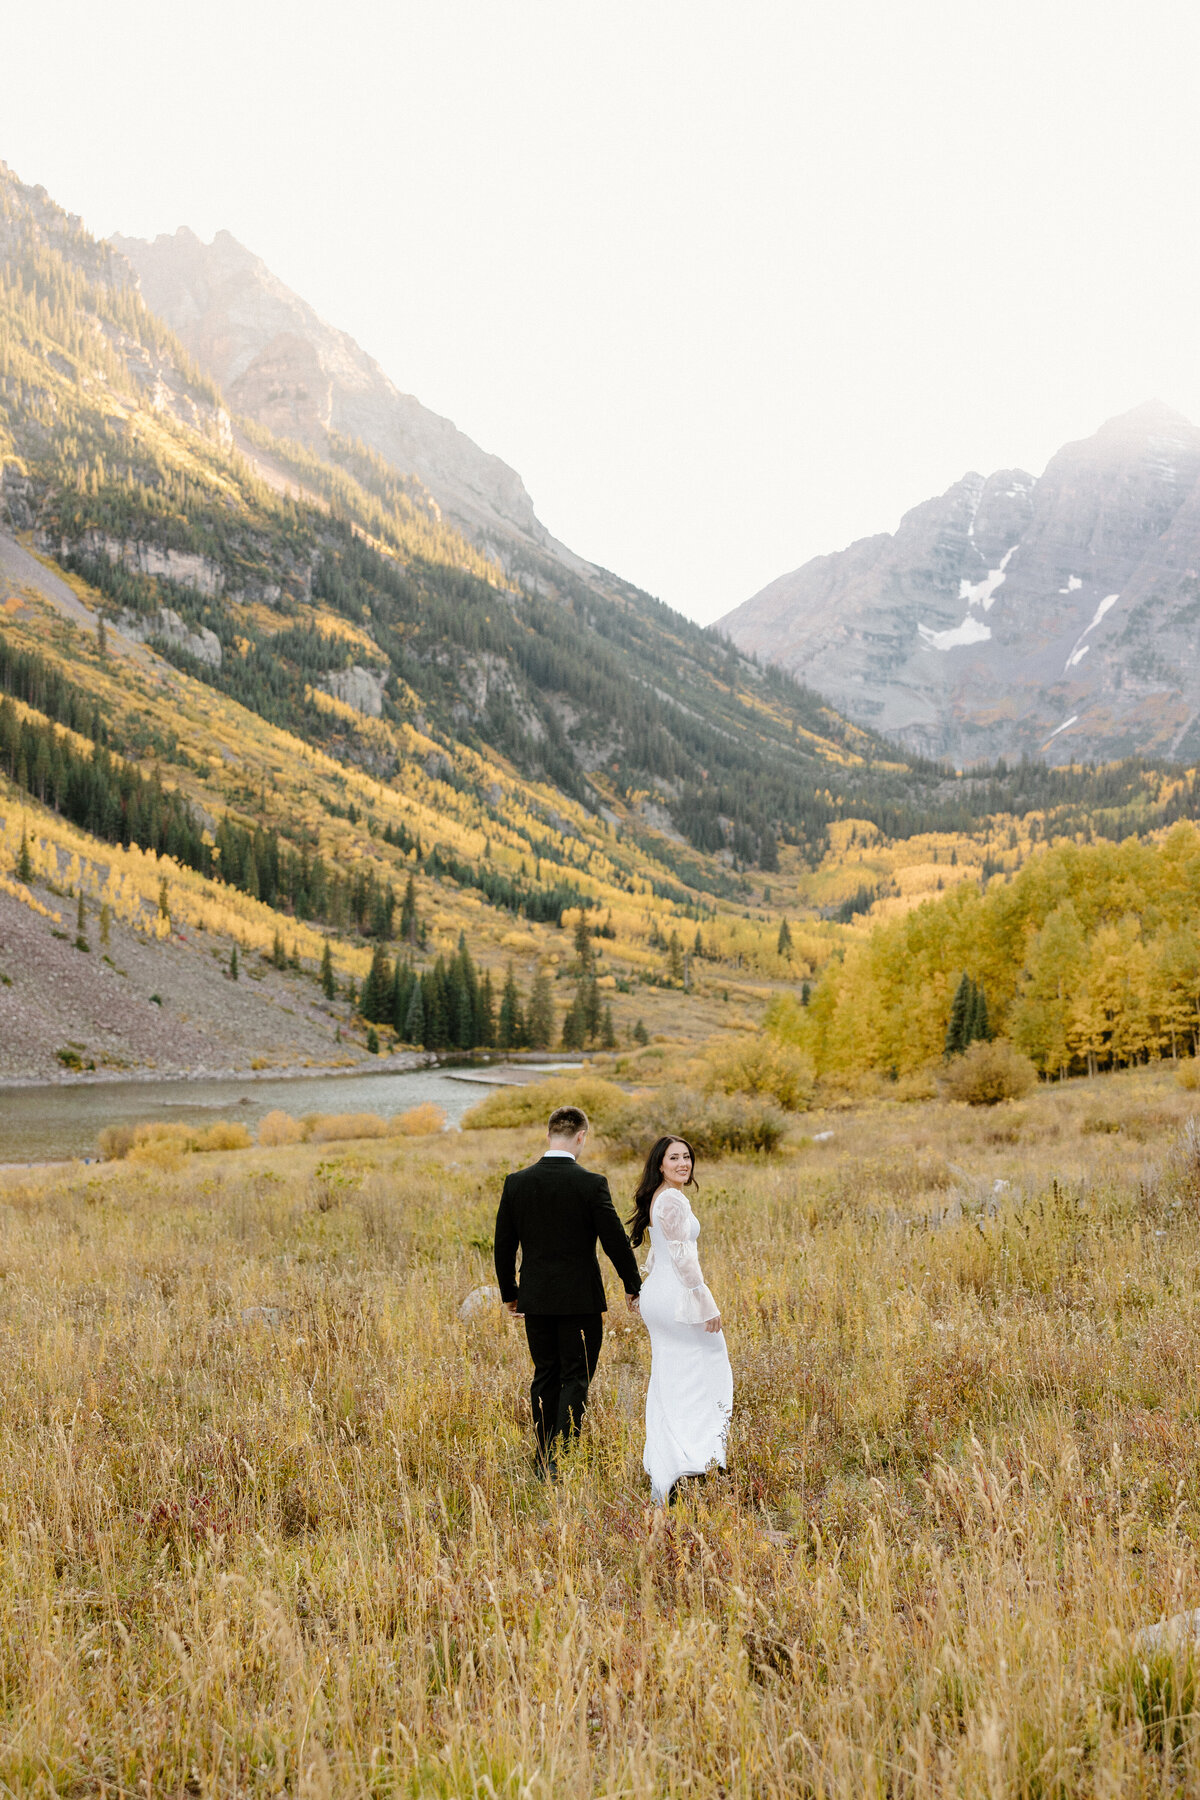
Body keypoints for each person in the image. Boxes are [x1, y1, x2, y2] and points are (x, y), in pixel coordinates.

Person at [494, 1104, 642, 1477]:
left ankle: (544, 1456)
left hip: (536, 1298)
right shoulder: (591, 1183)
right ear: (581, 1137)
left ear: (548, 1135)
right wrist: (632, 1285)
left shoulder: (517, 1182)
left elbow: (503, 1246)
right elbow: (614, 1241)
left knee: (545, 1373)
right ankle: (560, 1459)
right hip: (580, 1300)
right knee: (575, 1375)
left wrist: (510, 1293)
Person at [628, 1135, 732, 1505]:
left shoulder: (658, 1195)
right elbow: (684, 1257)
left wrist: (644, 1287)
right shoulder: (672, 1198)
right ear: (660, 1163)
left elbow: (658, 1252)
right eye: (674, 1158)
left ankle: (676, 1459)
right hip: (677, 1299)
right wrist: (706, 1302)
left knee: (671, 1375)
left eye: (687, 1157)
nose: (683, 1164)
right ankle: (694, 1457)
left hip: (662, 1293)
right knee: (707, 1369)